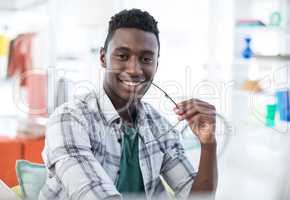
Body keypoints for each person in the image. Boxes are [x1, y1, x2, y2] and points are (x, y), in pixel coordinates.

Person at [39, 8, 217, 200]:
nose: (134, 69)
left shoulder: (160, 128)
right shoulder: (69, 119)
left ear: (156, 65)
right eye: (123, 56)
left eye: (146, 59)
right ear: (103, 58)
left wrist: (209, 144)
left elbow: (199, 198)